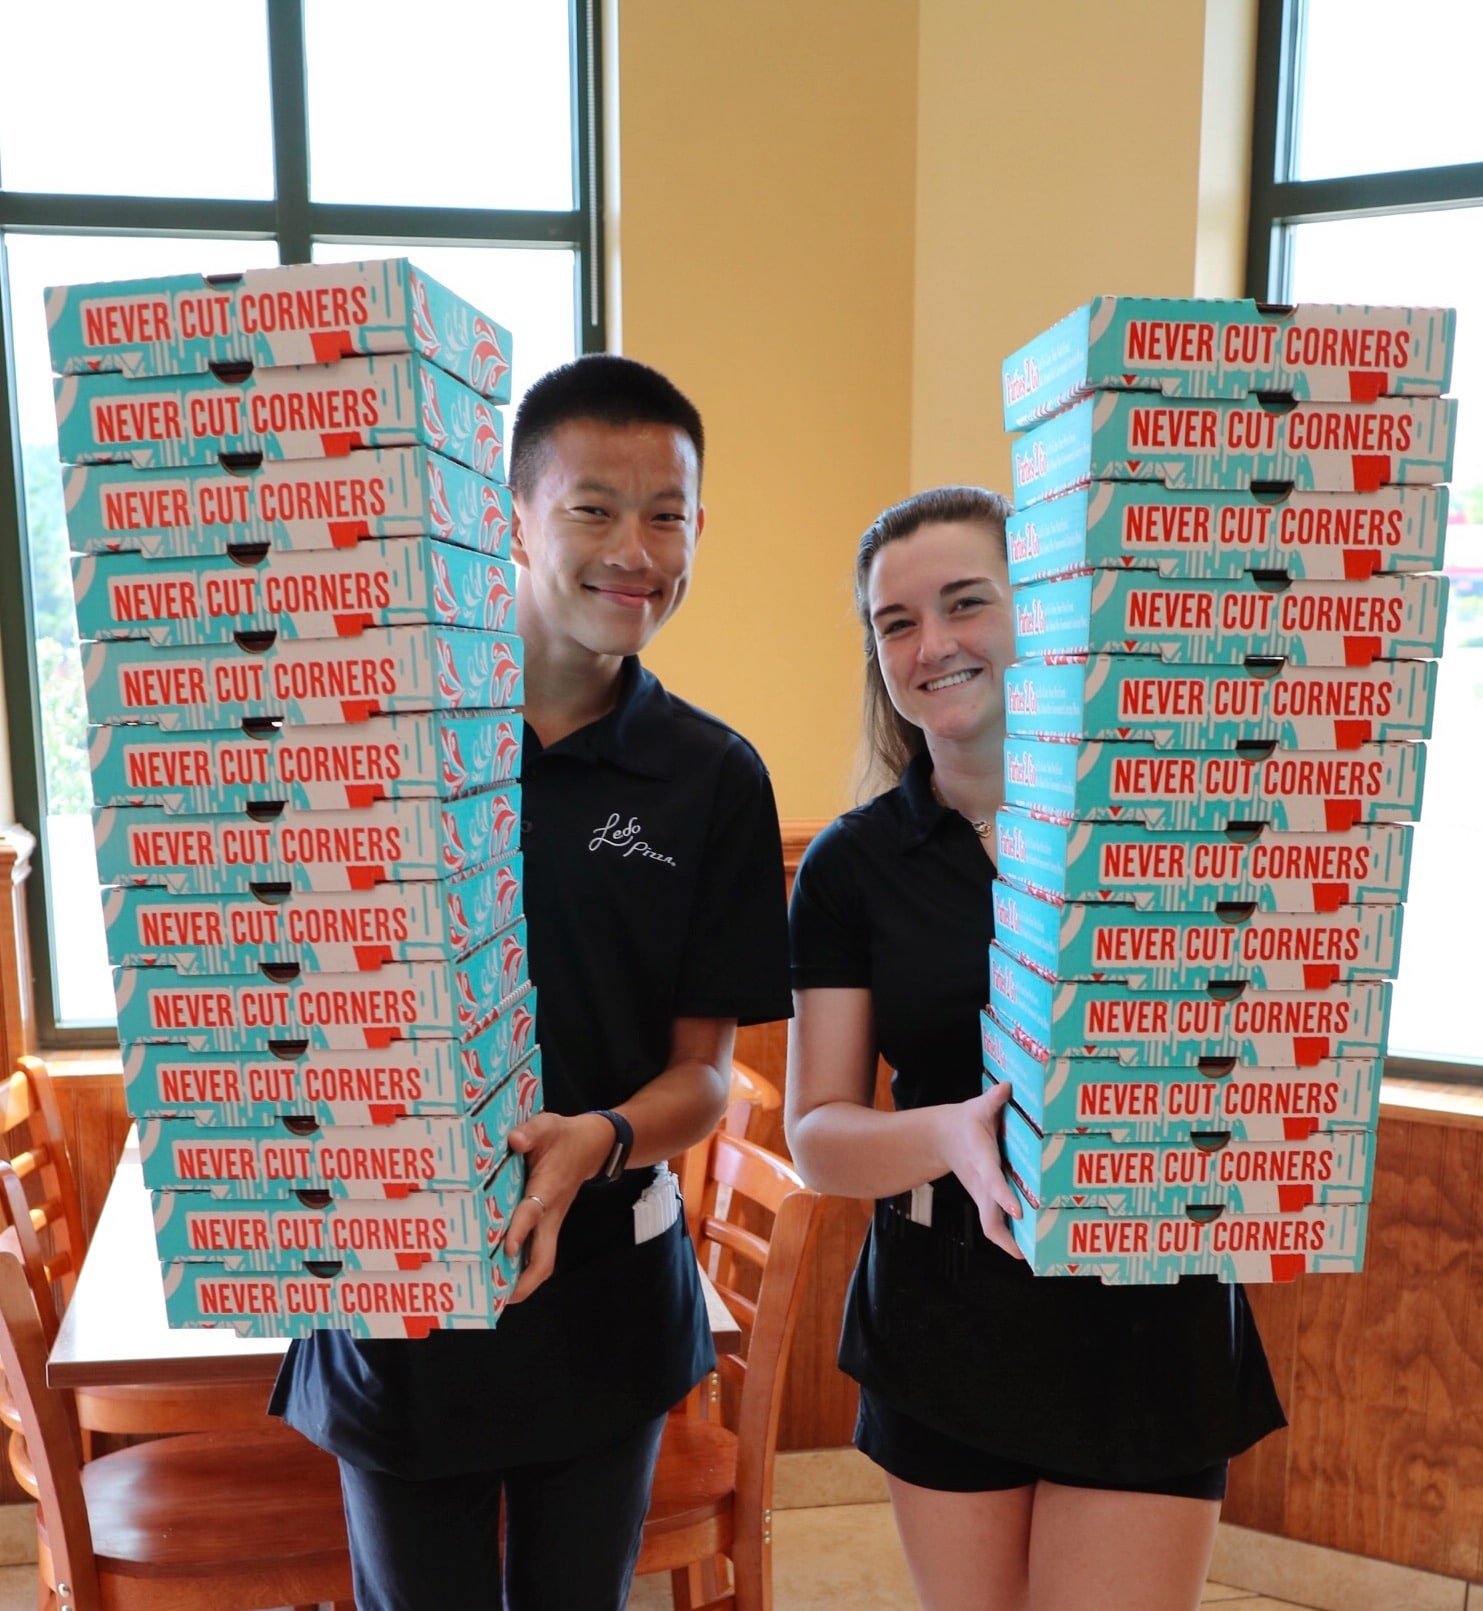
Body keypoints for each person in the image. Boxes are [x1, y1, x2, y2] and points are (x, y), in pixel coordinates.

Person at [271, 355, 792, 1611]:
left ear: (700, 529)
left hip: (603, 1307)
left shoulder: (710, 778)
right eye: (592, 508)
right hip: (398, 1301)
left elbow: (704, 1073)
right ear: (510, 515)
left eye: (666, 513)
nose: (635, 549)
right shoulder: (377, 730)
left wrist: (600, 1139)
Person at [784, 486, 1285, 1611]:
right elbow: (818, 1139)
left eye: (967, 602)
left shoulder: (1176, 822)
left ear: (1047, 610)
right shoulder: (852, 867)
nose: (933, 643)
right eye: (895, 621)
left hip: (1146, 1308)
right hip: (941, 1307)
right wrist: (953, 1136)